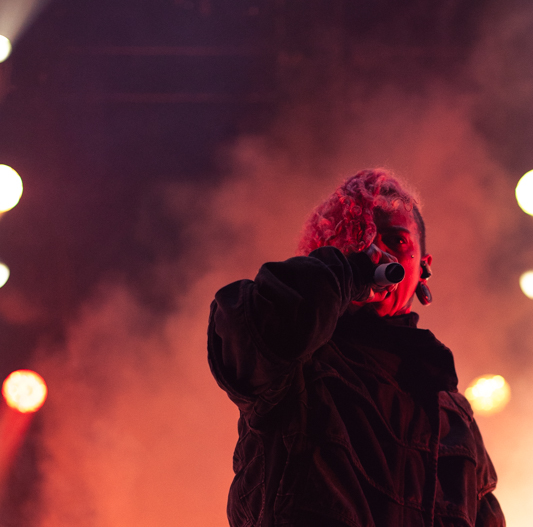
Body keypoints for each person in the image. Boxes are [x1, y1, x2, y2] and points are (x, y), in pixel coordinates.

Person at [207, 168, 505, 527]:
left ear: (424, 268)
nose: (379, 255)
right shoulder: (297, 364)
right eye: (359, 240)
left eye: (397, 241)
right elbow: (249, 324)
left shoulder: (453, 414)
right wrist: (349, 273)